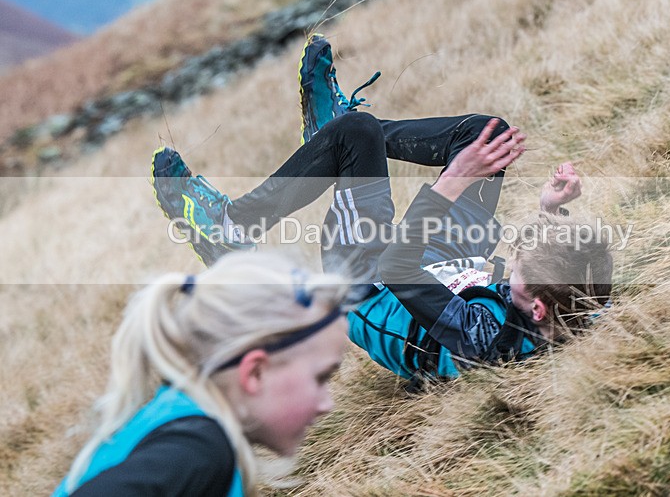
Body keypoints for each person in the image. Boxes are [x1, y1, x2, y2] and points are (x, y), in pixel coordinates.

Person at [151, 34, 613, 382]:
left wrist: (453, 180)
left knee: (356, 135)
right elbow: (562, 278)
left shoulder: (484, 338)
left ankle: (232, 225)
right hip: (448, 264)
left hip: (372, 282)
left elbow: (397, 266)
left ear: (534, 309)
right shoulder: (571, 308)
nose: (514, 254)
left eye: (518, 265)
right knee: (488, 137)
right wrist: (550, 211)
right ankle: (336, 140)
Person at [53, 251, 350, 496]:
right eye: (321, 378)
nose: (328, 404)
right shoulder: (197, 451)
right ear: (255, 373)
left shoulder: (185, 423)